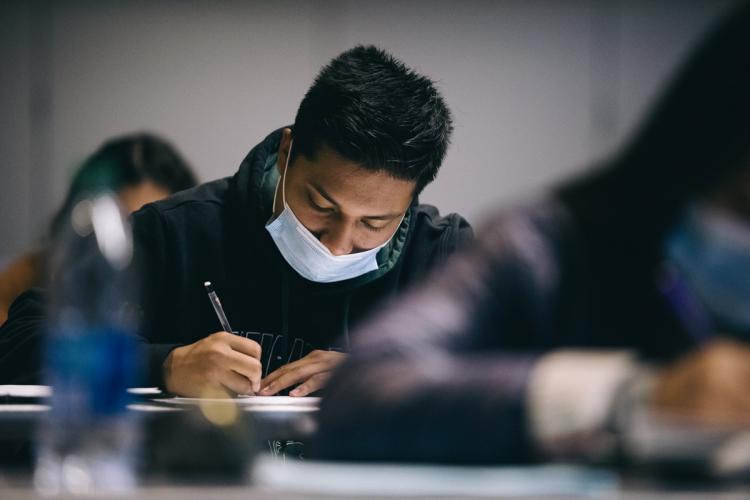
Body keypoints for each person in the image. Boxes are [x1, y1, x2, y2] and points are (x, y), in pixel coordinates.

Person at [312, 2, 750, 464]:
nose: (341, 246)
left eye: (375, 222)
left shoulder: (440, 240)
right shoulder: (544, 251)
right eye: (741, 208)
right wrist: (630, 398)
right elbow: (362, 394)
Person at [0, 46, 472, 395]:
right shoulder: (176, 233)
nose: (338, 244)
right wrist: (162, 366)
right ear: (288, 152)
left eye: (374, 223)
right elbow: (21, 342)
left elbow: (531, 373)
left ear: (411, 201)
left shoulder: (444, 257)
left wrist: (388, 373)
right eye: (322, 207)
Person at [0, 133, 197, 326]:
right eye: (118, 224)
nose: (125, 246)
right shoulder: (21, 284)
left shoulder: (182, 293)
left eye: (148, 231)